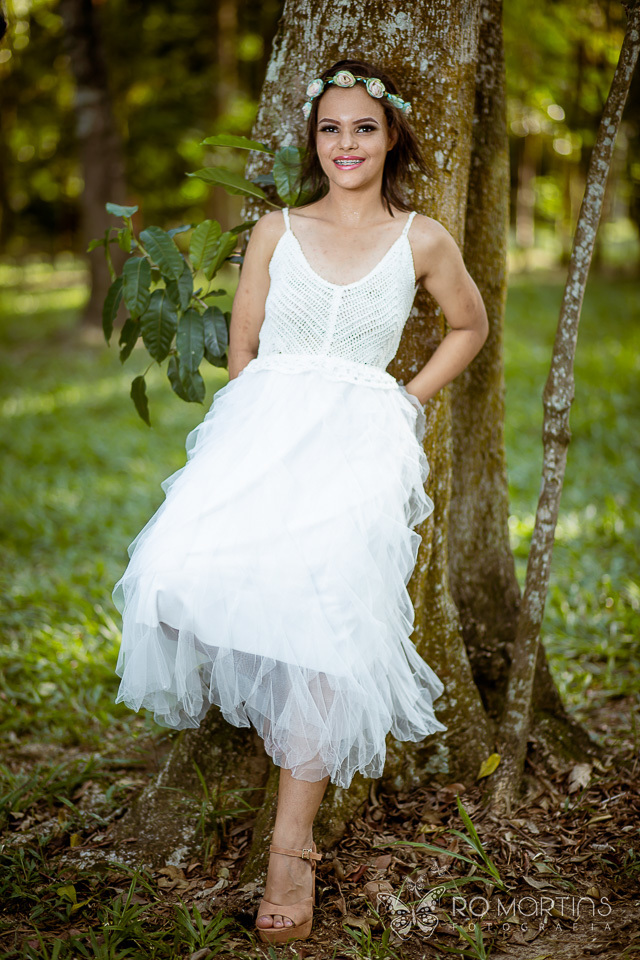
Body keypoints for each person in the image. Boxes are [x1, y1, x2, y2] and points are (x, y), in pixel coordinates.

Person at [112, 58, 489, 945]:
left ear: (391, 137)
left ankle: (291, 849)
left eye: (363, 127)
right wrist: (254, 439)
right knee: (168, 574)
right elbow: (244, 349)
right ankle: (260, 707)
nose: (345, 144)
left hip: (362, 448)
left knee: (323, 638)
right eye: (330, 128)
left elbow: (470, 325)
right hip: (264, 436)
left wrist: (407, 399)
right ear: (312, 141)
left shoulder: (422, 239)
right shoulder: (277, 230)